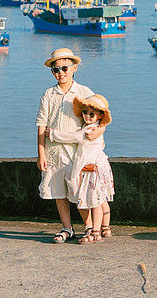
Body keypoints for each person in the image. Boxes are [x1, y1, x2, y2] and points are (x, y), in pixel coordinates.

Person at [35, 47, 104, 243]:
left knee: (80, 192)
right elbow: (41, 125)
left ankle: (90, 226)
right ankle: (67, 227)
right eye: (56, 70)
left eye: (65, 68)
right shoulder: (49, 94)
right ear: (52, 72)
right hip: (53, 152)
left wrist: (102, 130)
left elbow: (101, 115)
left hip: (77, 153)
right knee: (58, 192)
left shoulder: (83, 92)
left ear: (74, 68)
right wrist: (41, 153)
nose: (61, 73)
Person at [46, 94, 114, 244]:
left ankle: (95, 232)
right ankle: (106, 226)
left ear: (100, 115)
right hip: (99, 165)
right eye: (84, 112)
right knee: (101, 198)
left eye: (91, 114)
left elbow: (73, 137)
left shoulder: (90, 130)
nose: (87, 116)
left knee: (95, 201)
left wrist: (52, 134)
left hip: (92, 168)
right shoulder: (92, 127)